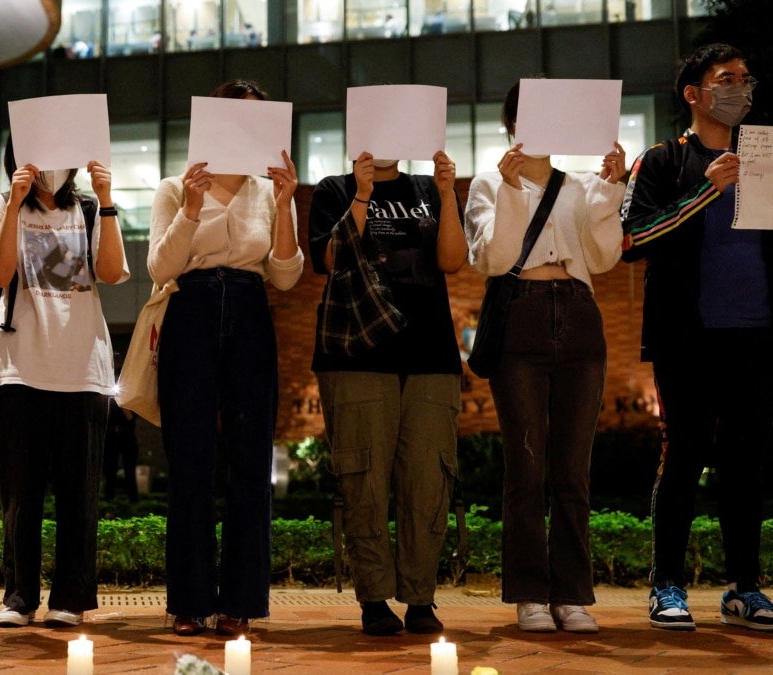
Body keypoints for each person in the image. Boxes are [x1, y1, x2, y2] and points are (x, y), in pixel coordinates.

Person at [620, 43, 773, 632]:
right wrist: (706, 190)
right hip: (688, 335)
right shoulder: (661, 160)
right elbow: (635, 238)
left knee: (747, 464)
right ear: (694, 93)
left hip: (755, 331)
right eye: (726, 79)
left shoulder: (763, 157)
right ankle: (667, 585)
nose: (741, 89)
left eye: (746, 79)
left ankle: (745, 588)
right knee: (683, 456)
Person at [465, 80, 627, 634]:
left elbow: (603, 259)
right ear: (512, 123)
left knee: (573, 470)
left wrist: (610, 190)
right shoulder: (488, 183)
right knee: (526, 466)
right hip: (522, 317)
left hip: (580, 315)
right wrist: (510, 191)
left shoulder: (581, 184)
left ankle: (573, 595)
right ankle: (531, 593)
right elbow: (492, 258)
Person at [149, 79, 303, 637]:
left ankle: (241, 600)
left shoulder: (268, 191)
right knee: (189, 460)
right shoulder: (176, 185)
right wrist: (191, 209)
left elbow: (286, 274)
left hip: (249, 310)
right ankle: (189, 601)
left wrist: (286, 206)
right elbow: (160, 270)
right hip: (190, 310)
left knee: (249, 459)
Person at [0, 138, 127, 630]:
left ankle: (71, 598)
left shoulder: (86, 208)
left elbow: (109, 273)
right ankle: (19, 597)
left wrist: (106, 201)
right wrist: (16, 203)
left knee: (79, 491)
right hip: (18, 363)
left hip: (82, 365)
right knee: (20, 492)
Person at [309, 150, 466, 636]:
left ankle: (420, 598)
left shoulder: (426, 188)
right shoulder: (334, 188)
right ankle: (373, 599)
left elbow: (453, 261)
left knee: (427, 482)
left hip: (430, 354)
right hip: (358, 355)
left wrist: (446, 194)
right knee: (363, 480)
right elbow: (330, 258)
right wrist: (361, 193)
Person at [103, 397, 140, 503]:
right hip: (111, 439)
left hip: (128, 438)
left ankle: (132, 499)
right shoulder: (109, 401)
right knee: (110, 470)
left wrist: (121, 400)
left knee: (130, 471)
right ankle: (109, 498)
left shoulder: (131, 400)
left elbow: (130, 417)